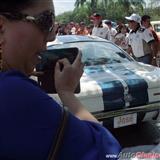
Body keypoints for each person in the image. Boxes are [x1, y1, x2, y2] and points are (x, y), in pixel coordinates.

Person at [0, 0, 121, 160]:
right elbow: (109, 152)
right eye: (46, 21)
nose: (52, 36)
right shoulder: (13, 91)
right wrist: (67, 93)